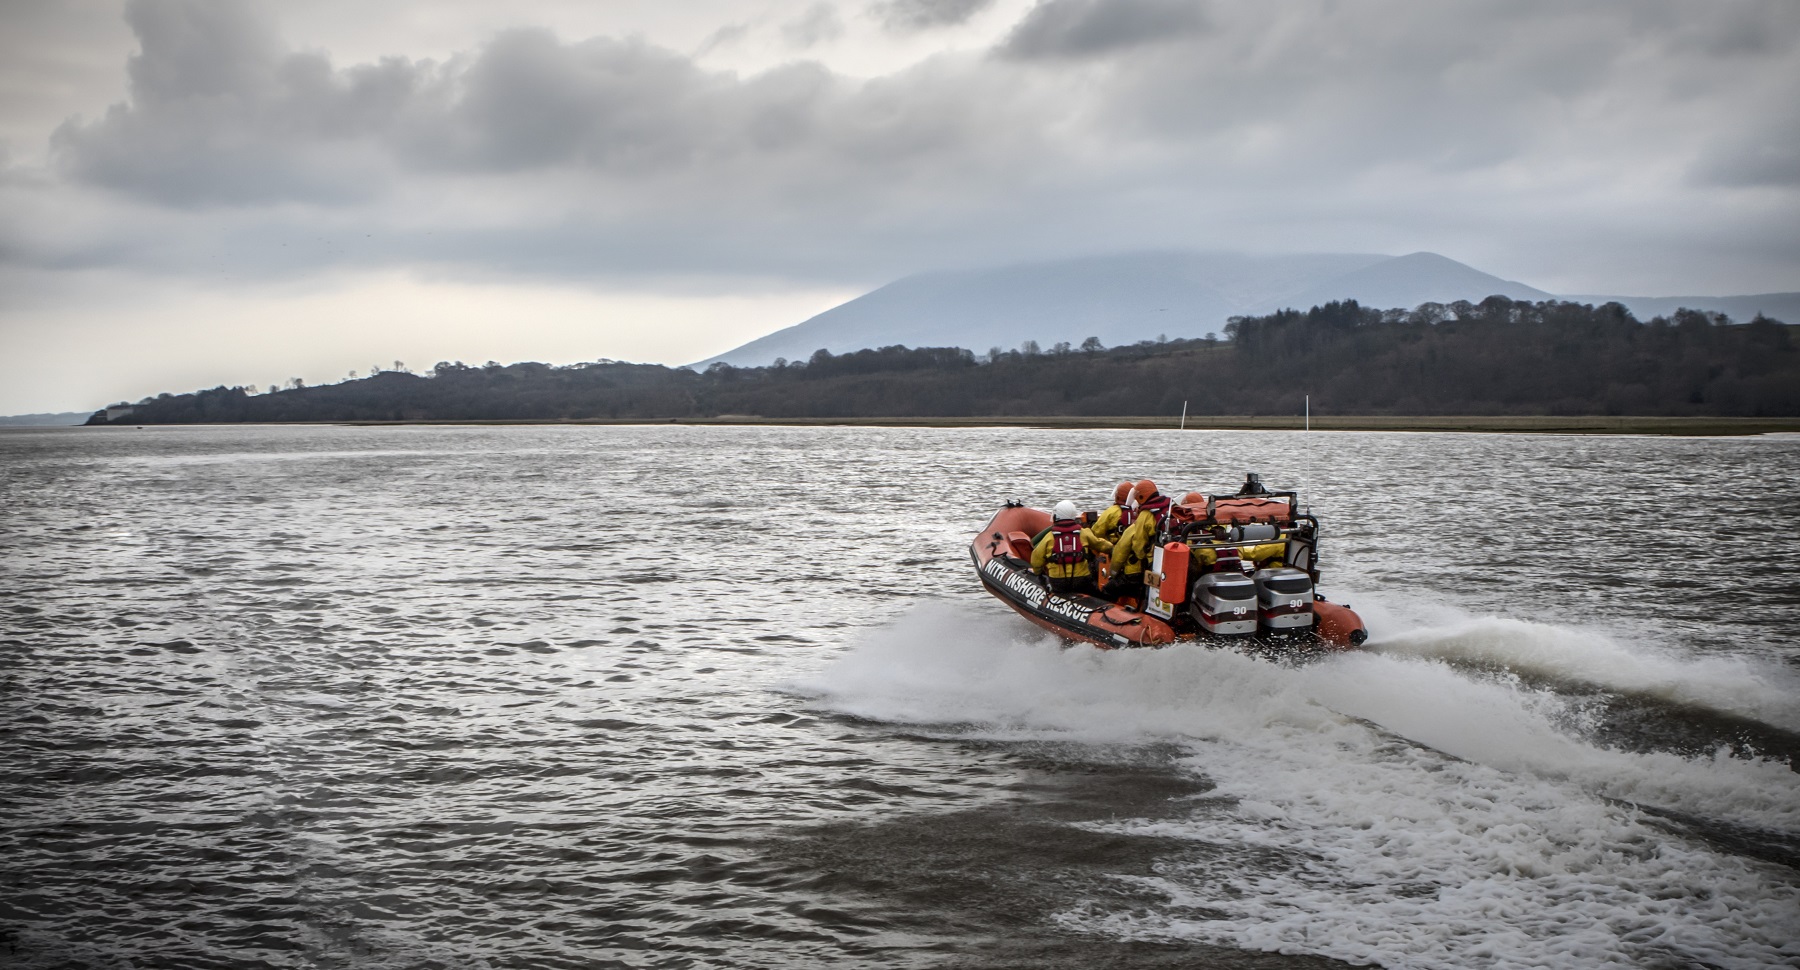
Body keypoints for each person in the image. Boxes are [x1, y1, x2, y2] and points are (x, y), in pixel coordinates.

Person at [1099, 479, 1172, 602]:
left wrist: (1113, 573)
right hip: (1169, 561)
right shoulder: (1170, 509)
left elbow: (1129, 548)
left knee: (1109, 590)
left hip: (1143, 569)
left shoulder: (1144, 517)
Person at [1031, 500, 1112, 596]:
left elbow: (1036, 560)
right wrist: (1112, 548)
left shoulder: (1049, 537)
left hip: (1058, 582)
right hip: (1082, 581)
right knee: (1100, 594)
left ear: (1056, 517)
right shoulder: (1084, 533)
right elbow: (1100, 544)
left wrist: (1039, 574)